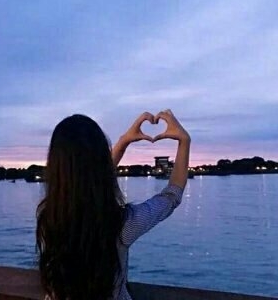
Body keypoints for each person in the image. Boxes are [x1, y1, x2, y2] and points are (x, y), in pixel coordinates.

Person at [36, 109, 191, 300]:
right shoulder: (121, 224)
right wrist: (184, 141)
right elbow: (171, 196)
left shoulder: (48, 218)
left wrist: (124, 142)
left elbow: (87, 181)